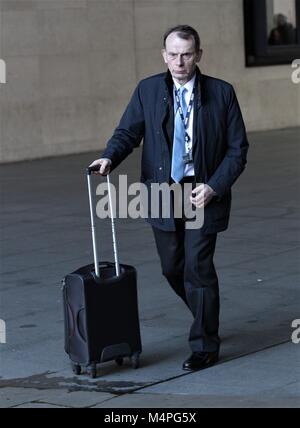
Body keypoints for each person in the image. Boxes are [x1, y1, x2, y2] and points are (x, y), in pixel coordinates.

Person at [89, 25, 249, 371]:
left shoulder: (222, 93)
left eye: (187, 54)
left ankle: (205, 344)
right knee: (171, 267)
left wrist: (214, 186)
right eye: (173, 54)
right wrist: (109, 157)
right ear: (164, 55)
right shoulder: (148, 90)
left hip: (201, 191)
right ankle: (204, 313)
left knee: (198, 267)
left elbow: (238, 151)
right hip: (162, 191)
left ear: (198, 55)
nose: (179, 61)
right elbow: (128, 131)